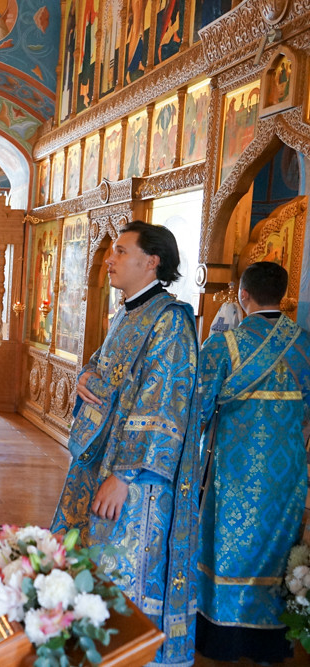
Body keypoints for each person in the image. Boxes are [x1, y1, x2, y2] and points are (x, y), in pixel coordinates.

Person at [51, 221, 200, 667]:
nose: (109, 259)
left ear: (151, 261)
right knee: (93, 556)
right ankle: (92, 645)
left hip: (136, 479)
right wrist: (82, 377)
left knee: (127, 564)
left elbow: (164, 407)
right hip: (101, 458)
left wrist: (124, 475)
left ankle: (132, 654)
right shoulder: (130, 312)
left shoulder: (170, 321)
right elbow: (102, 368)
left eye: (119, 251)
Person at [196, 262, 310, 663]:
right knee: (277, 551)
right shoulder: (306, 344)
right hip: (288, 474)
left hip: (234, 471)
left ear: (243, 296)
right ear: (282, 294)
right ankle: (271, 642)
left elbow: (198, 410)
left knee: (229, 547)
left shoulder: (224, 345)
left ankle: (221, 639)